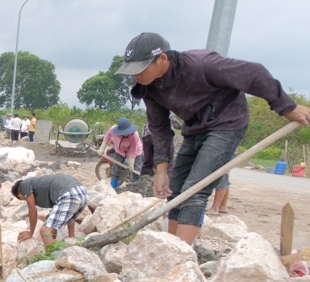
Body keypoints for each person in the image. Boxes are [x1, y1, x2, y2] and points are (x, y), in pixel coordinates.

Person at [117, 32, 310, 245]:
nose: (136, 75)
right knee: (176, 191)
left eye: (141, 68)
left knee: (194, 192)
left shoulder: (202, 65)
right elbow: (159, 127)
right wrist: (161, 170)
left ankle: (181, 254)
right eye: (132, 70)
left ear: (162, 59)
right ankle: (170, 248)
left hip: (226, 124)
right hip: (195, 127)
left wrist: (287, 107)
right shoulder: (149, 87)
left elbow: (254, 73)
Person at [12, 174, 90, 245]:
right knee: (49, 220)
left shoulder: (23, 185)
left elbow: (32, 210)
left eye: (24, 199)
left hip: (69, 194)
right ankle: (72, 240)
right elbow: (68, 215)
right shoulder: (40, 185)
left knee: (45, 231)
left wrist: (30, 233)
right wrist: (71, 237)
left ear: (19, 195)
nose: (27, 200)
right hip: (82, 193)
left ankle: (51, 259)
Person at [98, 117, 144, 189]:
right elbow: (107, 138)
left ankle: (137, 187)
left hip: (136, 151)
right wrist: (102, 149)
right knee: (116, 169)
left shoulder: (135, 135)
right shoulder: (112, 129)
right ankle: (113, 188)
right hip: (120, 151)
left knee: (136, 170)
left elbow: (132, 151)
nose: (125, 133)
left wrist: (131, 165)